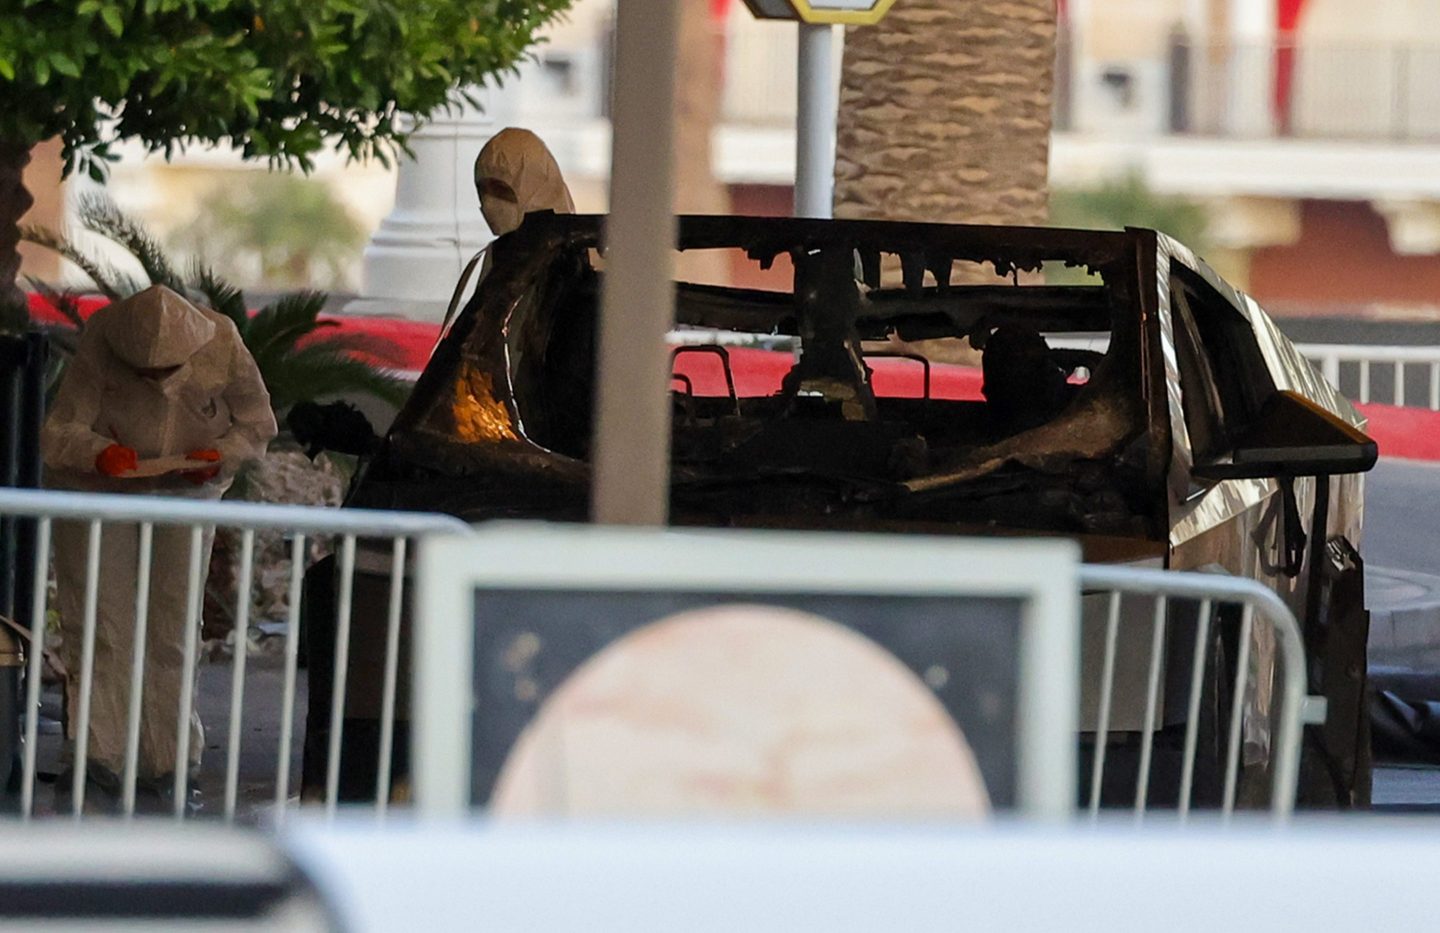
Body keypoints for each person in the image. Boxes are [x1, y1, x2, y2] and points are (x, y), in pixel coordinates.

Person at [41, 284, 277, 809]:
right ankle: (98, 756)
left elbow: (258, 423)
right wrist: (99, 454)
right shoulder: (103, 338)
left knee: (173, 627)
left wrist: (221, 454)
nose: (154, 383)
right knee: (104, 625)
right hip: (99, 495)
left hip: (186, 495)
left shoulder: (224, 342)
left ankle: (169, 761)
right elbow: (59, 431)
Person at [473, 127, 576, 237]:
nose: (488, 204)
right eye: (483, 191)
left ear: (535, 188)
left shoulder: (582, 251)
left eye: (499, 190)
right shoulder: (494, 252)